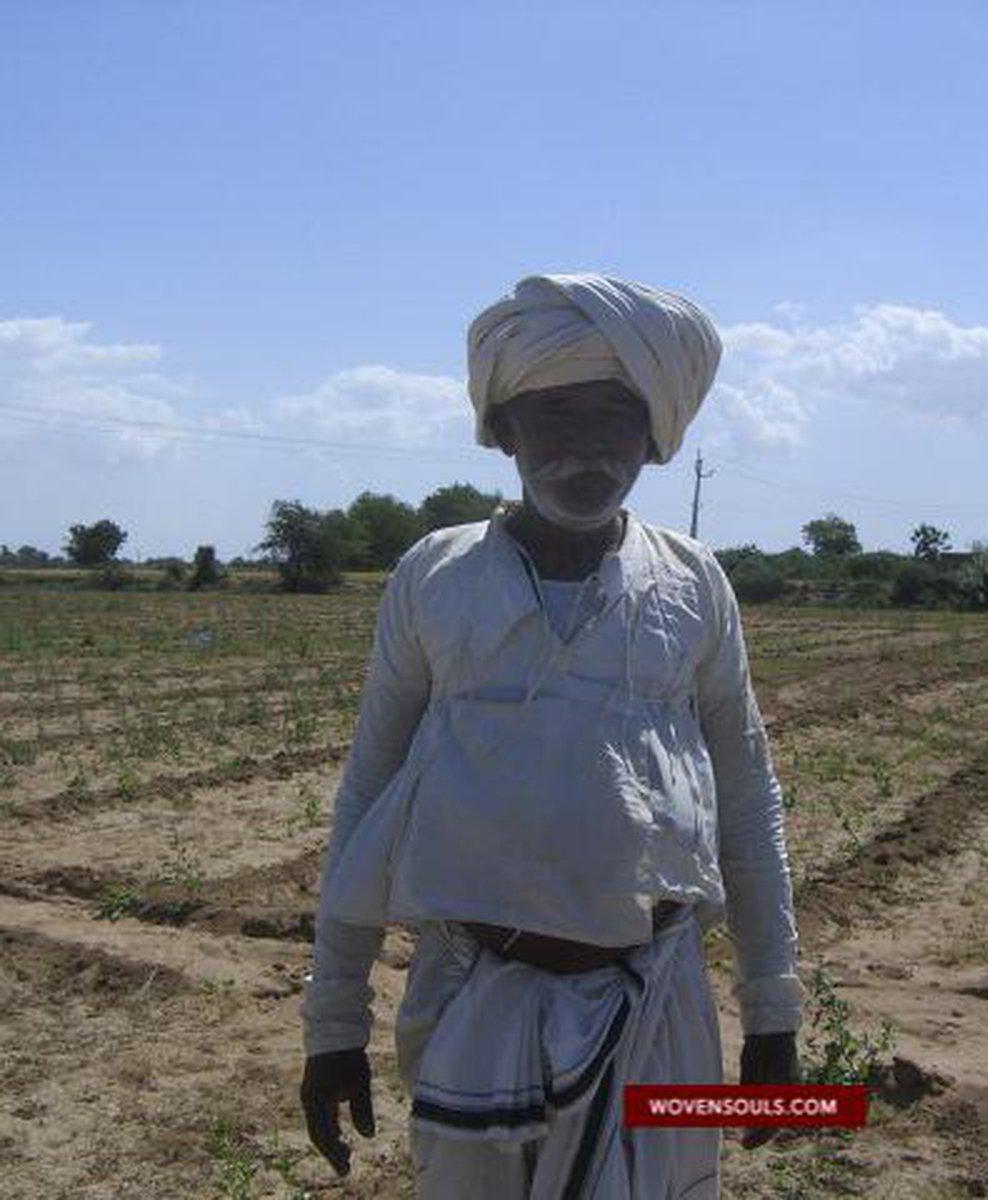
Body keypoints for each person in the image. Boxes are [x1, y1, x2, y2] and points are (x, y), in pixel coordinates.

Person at [299, 273, 805, 1198]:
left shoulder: (695, 582)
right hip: (470, 1000)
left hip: (659, 1008)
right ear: (505, 430)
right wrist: (334, 1024)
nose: (585, 447)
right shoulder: (434, 576)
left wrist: (773, 1013)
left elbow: (746, 793)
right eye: (554, 413)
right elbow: (370, 784)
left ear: (655, 436)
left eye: (615, 414)